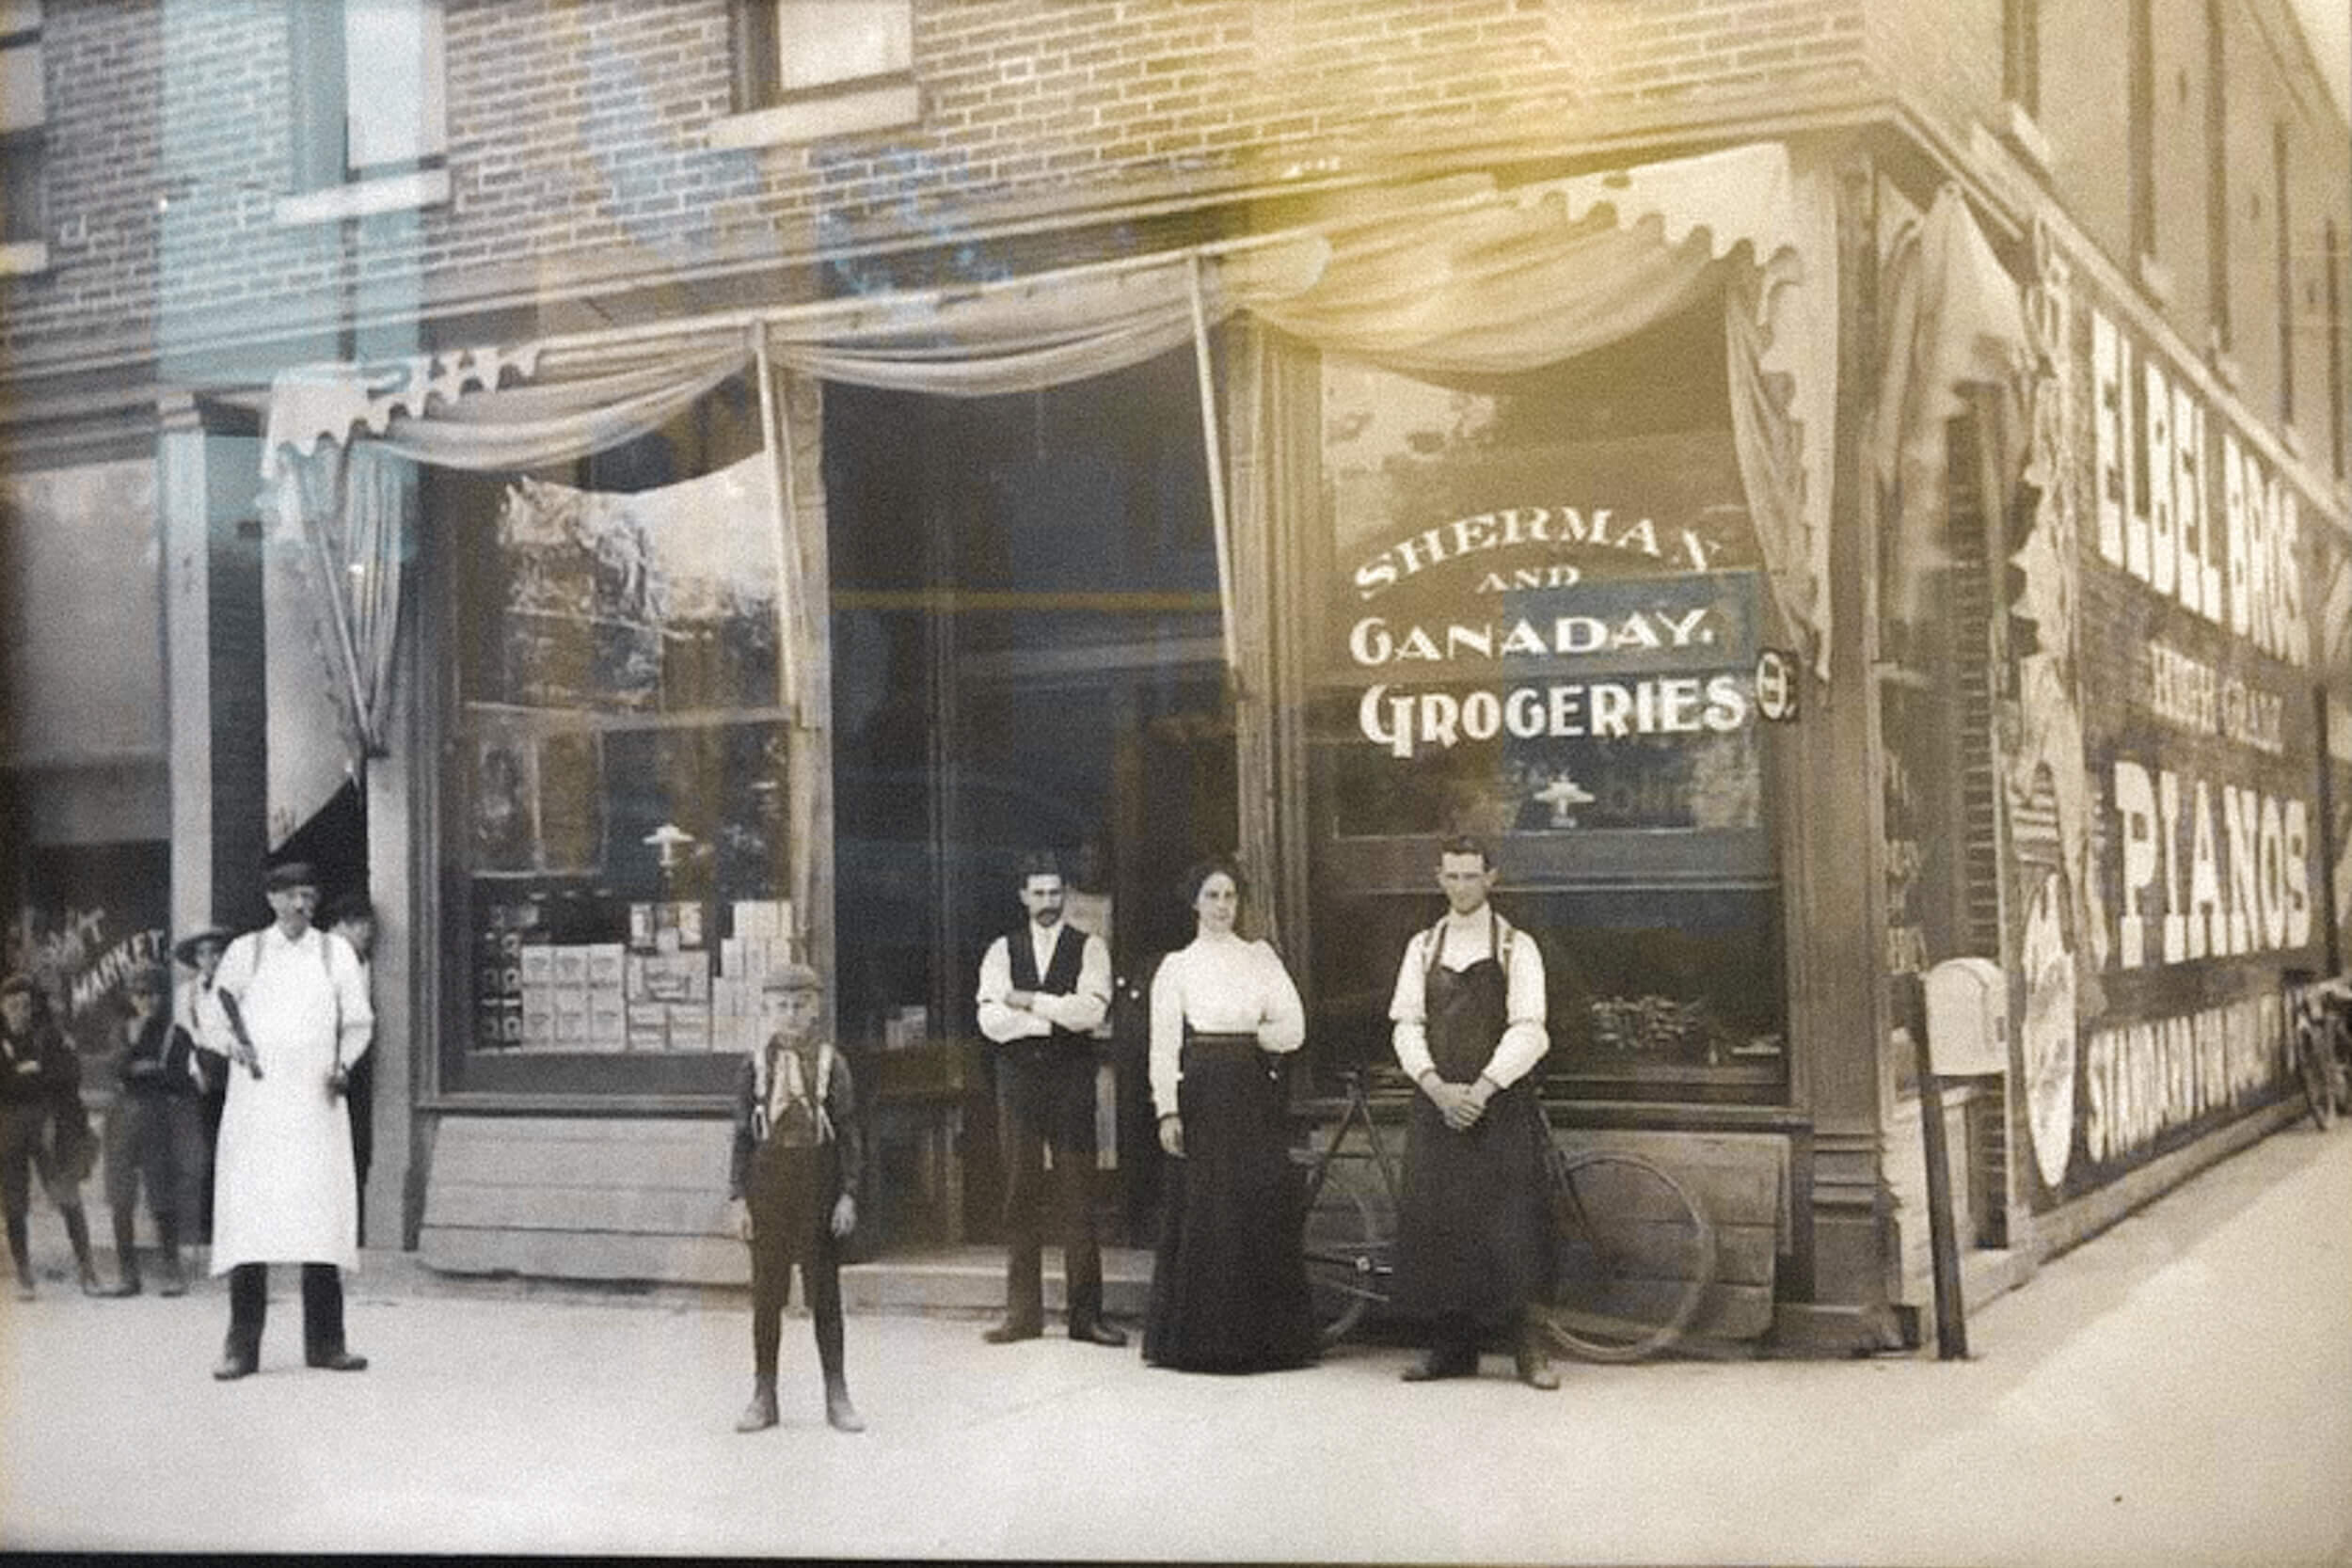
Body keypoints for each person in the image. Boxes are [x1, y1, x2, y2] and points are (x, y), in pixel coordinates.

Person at [1387, 835, 1558, 1389]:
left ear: (1491, 879)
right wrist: (1437, 1087)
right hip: (1439, 1105)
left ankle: (1528, 1351)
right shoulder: (1422, 947)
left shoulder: (1516, 947)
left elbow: (1530, 1029)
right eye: (1452, 876)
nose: (1461, 886)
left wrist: (1482, 1089)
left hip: (1499, 1104)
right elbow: (1406, 1024)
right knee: (1442, 1223)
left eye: (1471, 876)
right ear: (1439, 879)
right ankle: (1449, 1348)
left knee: (1511, 1225)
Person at [194, 861, 374, 1379]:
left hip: (315, 1106)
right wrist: (235, 1047)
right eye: (293, 896)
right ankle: (241, 1348)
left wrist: (342, 1064)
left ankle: (326, 1343)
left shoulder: (333, 952)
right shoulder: (244, 952)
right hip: (259, 1108)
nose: (302, 906)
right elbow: (212, 1016)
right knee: (253, 1219)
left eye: (310, 897)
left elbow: (358, 1023)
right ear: (272, 899)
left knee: (319, 1218)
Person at [1142, 858, 1317, 1372]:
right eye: (1212, 896)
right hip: (1200, 1092)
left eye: (1230, 897)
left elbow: (1293, 1027)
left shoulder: (1260, 959)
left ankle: (1265, 1342)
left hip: (1249, 1088)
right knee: (1207, 1209)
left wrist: (1250, 1040)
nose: (1222, 907)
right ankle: (1202, 1342)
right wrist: (1167, 1111)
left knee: (1256, 1204)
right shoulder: (1176, 967)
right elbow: (1163, 1047)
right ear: (1194, 902)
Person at [974, 852, 1124, 1347]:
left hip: (1071, 1085)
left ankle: (1086, 1317)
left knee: (1079, 1196)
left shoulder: (1090, 948)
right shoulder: (1001, 950)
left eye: (1055, 893)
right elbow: (991, 1022)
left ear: (1065, 896)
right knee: (1020, 1193)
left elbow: (1090, 1012)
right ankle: (1022, 1315)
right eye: (1038, 893)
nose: (1047, 902)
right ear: (1022, 896)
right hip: (1018, 1086)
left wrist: (1030, 1001)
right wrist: (1051, 1018)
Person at [727, 962, 865, 1434]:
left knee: (824, 1292)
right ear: (766, 1011)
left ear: (816, 1008)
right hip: (769, 1182)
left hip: (817, 1181)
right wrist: (738, 1198)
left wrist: (847, 1195)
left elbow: (848, 1133)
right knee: (767, 1296)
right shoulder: (755, 1065)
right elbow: (742, 1137)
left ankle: (837, 1393)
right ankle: (764, 1394)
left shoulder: (832, 1063)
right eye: (781, 1006)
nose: (790, 1015)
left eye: (800, 1005)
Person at [94, 962, 208, 1296]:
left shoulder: (177, 1034)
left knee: (161, 1194)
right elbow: (113, 1069)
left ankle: (172, 1271)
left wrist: (144, 1070)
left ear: (164, 996)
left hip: (158, 1119)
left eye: (154, 993)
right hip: (120, 1119)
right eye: (140, 993)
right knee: (120, 1196)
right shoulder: (121, 1031)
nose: (148, 1001)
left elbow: (180, 1080)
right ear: (131, 997)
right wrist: (135, 1052)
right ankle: (128, 1274)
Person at [0, 971, 104, 1299]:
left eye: (25, 1005)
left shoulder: (49, 1037)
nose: (20, 1011)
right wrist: (27, 1075)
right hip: (9, 1127)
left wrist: (29, 1074)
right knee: (14, 1203)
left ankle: (88, 1269)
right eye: (13, 1005)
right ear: (2, 1007)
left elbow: (68, 1075)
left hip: (49, 1125)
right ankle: (24, 1274)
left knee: (66, 1195)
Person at [171, 926, 233, 1247]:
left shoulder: (237, 989)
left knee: (234, 1151)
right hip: (202, 1077)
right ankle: (205, 1229)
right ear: (196, 959)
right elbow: (185, 1039)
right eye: (203, 953)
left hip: (234, 1074)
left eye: (216, 952)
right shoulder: (187, 994)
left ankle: (234, 1227)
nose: (211, 959)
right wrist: (197, 1072)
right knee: (204, 1152)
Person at [323, 894, 378, 1236]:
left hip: (356, 1064)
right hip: (325, 1061)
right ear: (337, 927)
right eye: (356, 924)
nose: (364, 931)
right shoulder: (319, 961)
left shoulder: (365, 964)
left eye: (367, 925)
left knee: (354, 1140)